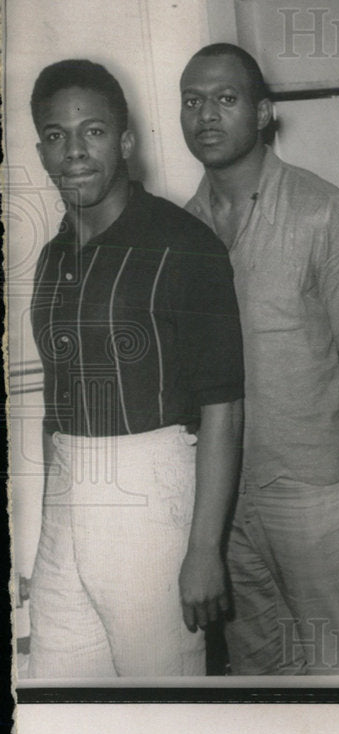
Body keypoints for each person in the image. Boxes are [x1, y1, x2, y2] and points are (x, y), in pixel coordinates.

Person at [27, 59, 244, 678]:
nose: (74, 152)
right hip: (67, 498)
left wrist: (204, 549)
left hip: (150, 492)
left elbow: (224, 408)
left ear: (123, 142)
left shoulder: (185, 245)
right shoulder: (51, 259)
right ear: (41, 150)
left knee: (164, 703)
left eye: (92, 132)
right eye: (55, 135)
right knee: (61, 692)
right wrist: (52, 519)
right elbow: (54, 401)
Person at [180, 43, 339, 675]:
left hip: (312, 490)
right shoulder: (179, 232)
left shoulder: (322, 210)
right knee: (260, 675)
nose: (207, 114)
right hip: (225, 494)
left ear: (265, 113)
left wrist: (324, 440)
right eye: (192, 101)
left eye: (226, 98)